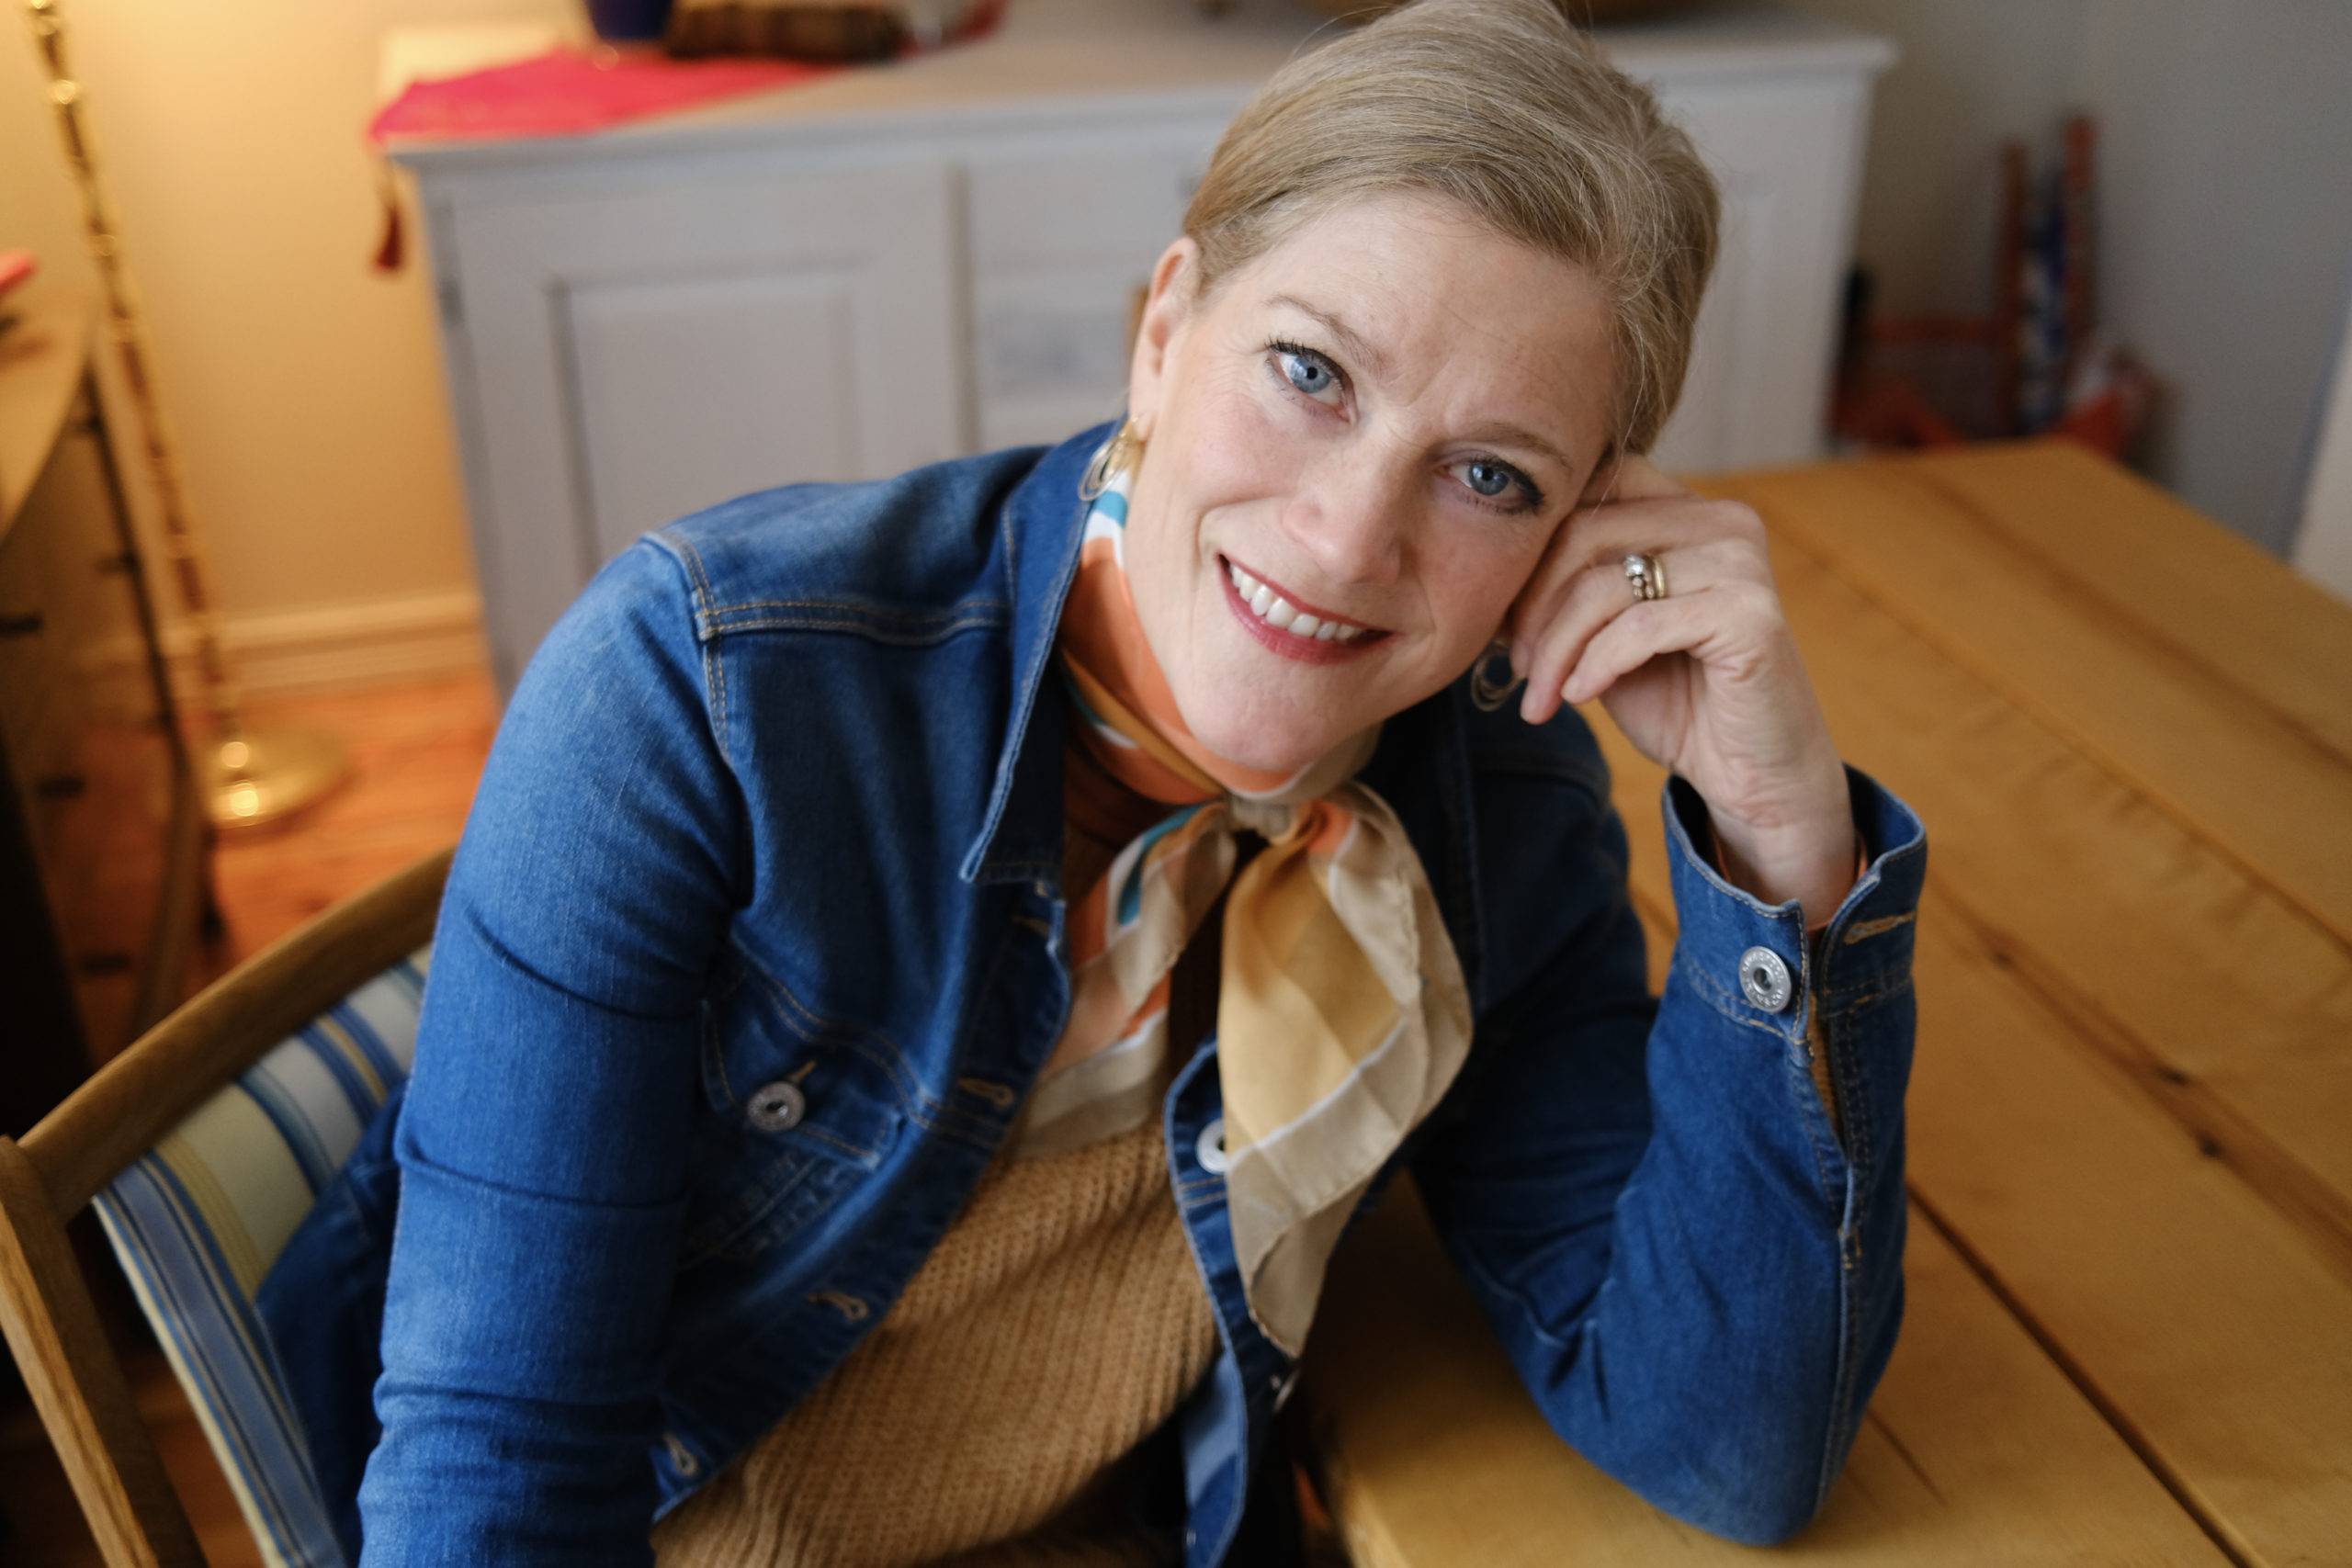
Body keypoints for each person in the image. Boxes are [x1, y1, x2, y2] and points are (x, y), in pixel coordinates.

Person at [263, 0, 1927, 1562]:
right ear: (1164, 330)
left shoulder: (1498, 796)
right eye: (1309, 373)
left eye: (1490, 475)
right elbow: (497, 1481)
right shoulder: (696, 694)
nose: (1348, 537)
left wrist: (1784, 843)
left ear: (1578, 538)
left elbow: (1729, 1447)